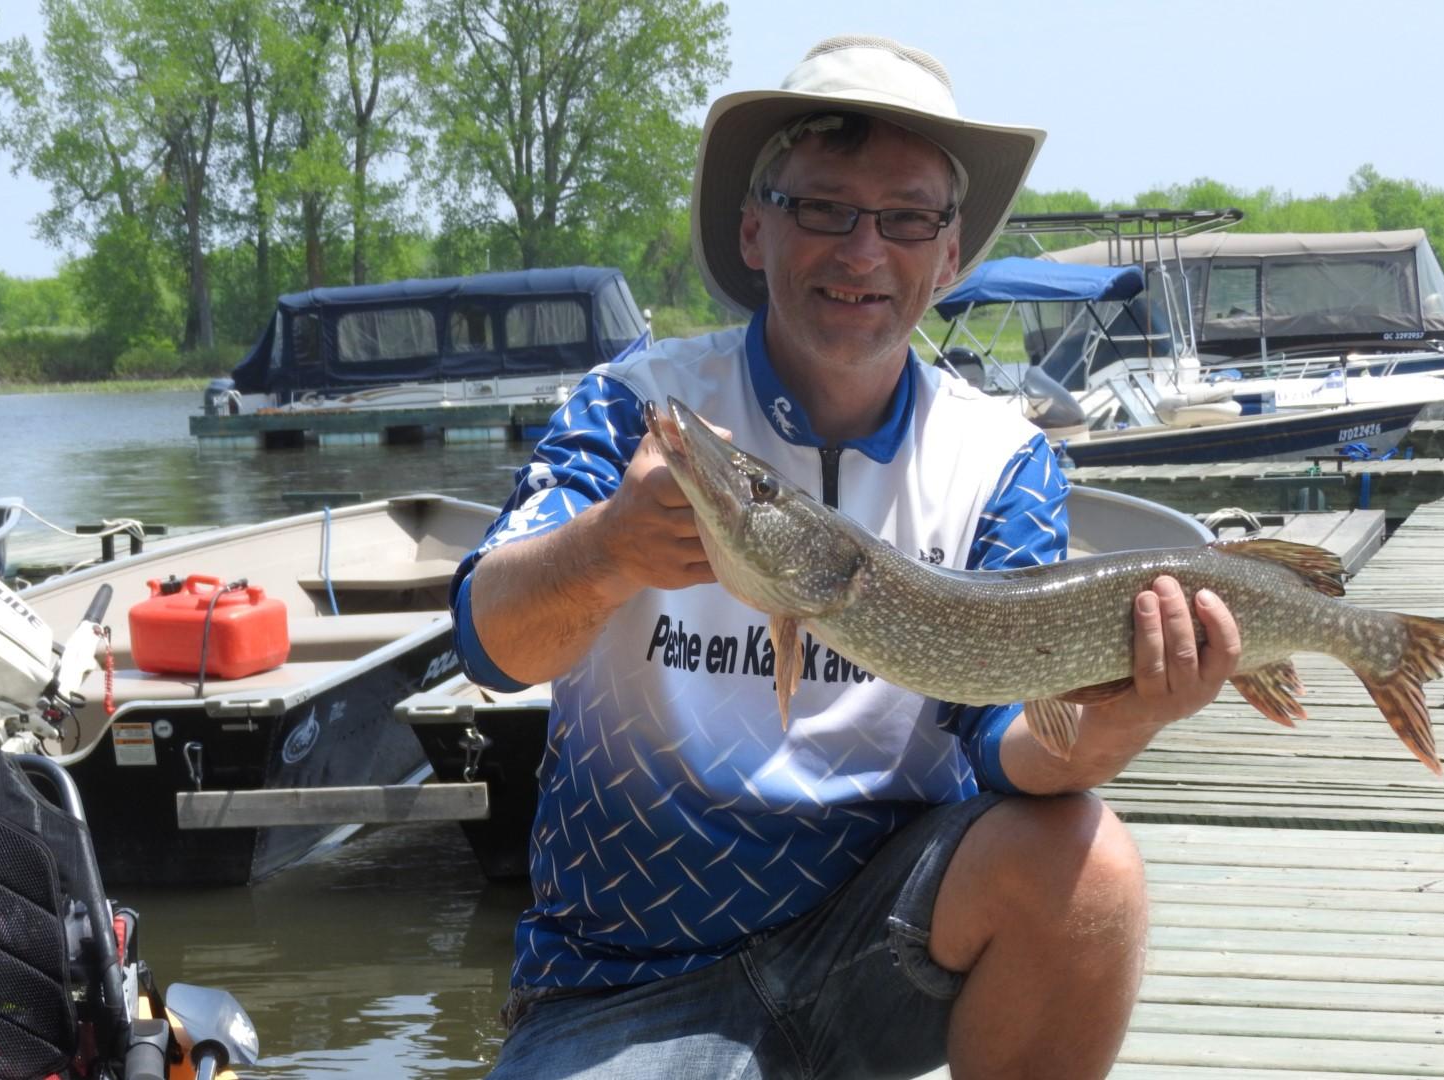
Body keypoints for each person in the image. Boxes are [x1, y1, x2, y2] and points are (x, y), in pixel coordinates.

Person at [450, 35, 1243, 1080]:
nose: (862, 251)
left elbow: (1014, 744)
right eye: (823, 207)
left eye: (906, 218)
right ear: (753, 227)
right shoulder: (635, 411)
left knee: (1088, 865)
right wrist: (607, 548)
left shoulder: (1003, 461)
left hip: (886, 956)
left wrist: (1124, 718)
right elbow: (488, 642)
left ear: (949, 254)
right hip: (624, 982)